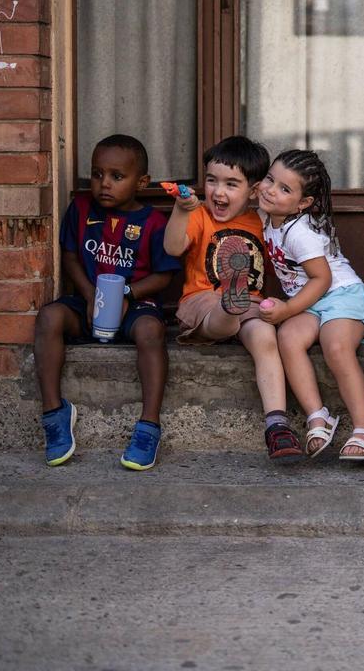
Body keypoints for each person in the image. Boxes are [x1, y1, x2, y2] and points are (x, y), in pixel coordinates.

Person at [34, 134, 180, 470]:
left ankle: (149, 426)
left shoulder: (155, 223)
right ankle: (55, 414)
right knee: (49, 318)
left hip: (133, 304)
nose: (104, 184)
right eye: (97, 174)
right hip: (86, 301)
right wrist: (90, 294)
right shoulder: (82, 208)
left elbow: (164, 276)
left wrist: (127, 295)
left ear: (141, 182)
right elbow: (70, 256)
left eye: (117, 176)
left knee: (151, 332)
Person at [163, 136, 296, 460]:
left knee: (265, 335)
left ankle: (277, 425)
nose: (218, 192)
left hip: (249, 302)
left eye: (231, 184)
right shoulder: (199, 215)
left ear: (252, 191)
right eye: (212, 181)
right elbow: (173, 247)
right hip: (203, 298)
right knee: (222, 317)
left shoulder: (261, 222)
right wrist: (182, 210)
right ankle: (228, 308)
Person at [257, 149, 364, 462]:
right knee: (288, 338)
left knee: (335, 345)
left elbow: (322, 279)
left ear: (303, 204)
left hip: (341, 294)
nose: (271, 189)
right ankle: (318, 416)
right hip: (312, 300)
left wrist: (285, 310)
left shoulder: (300, 232)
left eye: (285, 189)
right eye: (270, 179)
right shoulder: (267, 215)